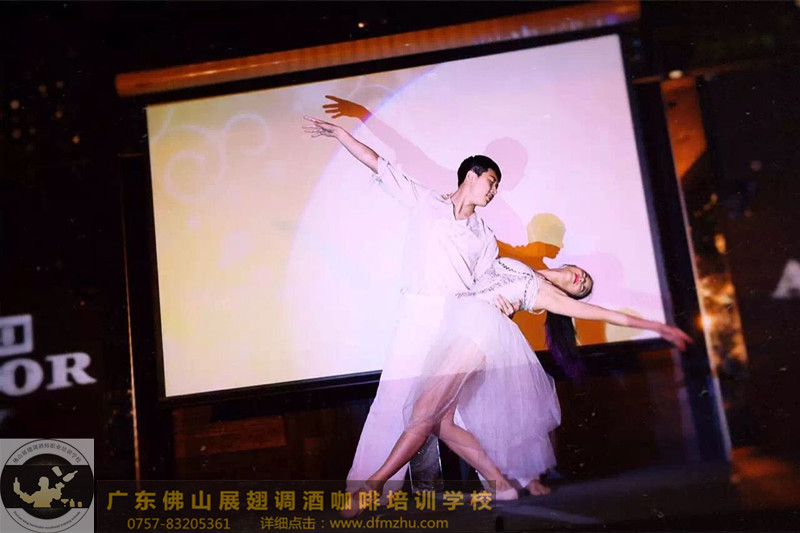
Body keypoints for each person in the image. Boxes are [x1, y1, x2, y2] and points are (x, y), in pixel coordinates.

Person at [344, 257, 692, 514]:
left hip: (477, 335)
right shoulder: (522, 265)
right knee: (441, 422)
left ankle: (371, 487)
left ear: (569, 296)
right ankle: (501, 486)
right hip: (454, 328)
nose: (581, 280)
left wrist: (658, 327)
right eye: (583, 276)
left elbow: (606, 314)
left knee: (423, 413)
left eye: (581, 289)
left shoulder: (547, 296)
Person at [302, 116, 519, 496]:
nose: (494, 191)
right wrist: (341, 134)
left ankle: (501, 481)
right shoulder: (426, 201)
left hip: (460, 320)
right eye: (491, 181)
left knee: (460, 408)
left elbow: (487, 282)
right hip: (418, 316)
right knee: (393, 400)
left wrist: (505, 302)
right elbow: (378, 162)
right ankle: (365, 490)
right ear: (471, 175)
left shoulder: (485, 236)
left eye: (498, 186)